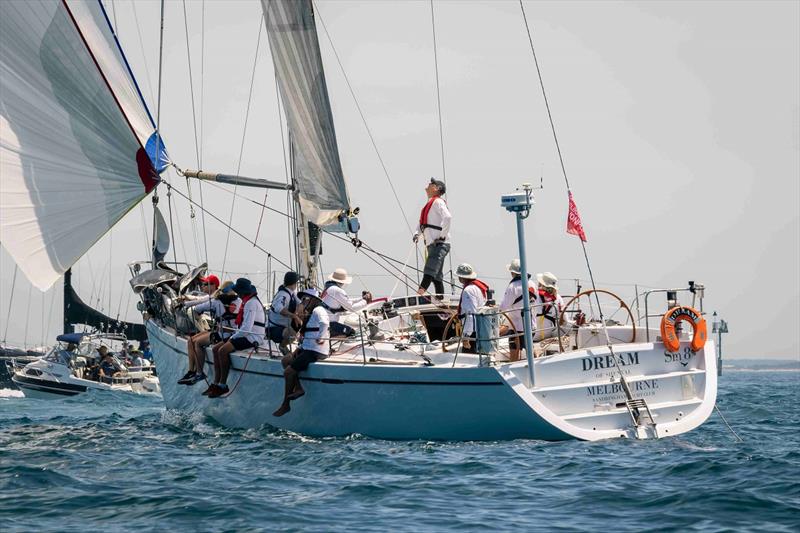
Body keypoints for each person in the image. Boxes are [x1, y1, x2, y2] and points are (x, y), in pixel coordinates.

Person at [205, 278, 266, 398]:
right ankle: (215, 383)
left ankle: (223, 385)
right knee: (215, 348)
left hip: (252, 337)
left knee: (222, 350)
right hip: (247, 334)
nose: (237, 294)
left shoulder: (251, 303)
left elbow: (247, 327)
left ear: (243, 292)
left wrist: (233, 337)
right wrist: (235, 336)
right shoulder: (247, 301)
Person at [273, 289, 329, 417]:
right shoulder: (309, 313)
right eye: (302, 299)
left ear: (314, 300)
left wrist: (321, 337)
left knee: (288, 372)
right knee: (286, 360)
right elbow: (307, 334)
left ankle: (285, 404)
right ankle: (298, 388)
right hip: (308, 348)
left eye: (306, 299)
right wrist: (300, 347)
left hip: (315, 350)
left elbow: (325, 323)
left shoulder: (318, 310)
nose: (303, 302)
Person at [177, 281, 241, 385]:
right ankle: (192, 372)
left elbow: (198, 308)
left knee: (196, 343)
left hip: (221, 335)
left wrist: (186, 304)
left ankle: (198, 372)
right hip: (232, 332)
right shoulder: (239, 301)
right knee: (191, 341)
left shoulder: (216, 301)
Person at [414, 178, 452, 300]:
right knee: (436, 276)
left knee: (429, 271)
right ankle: (441, 301)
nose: (428, 185)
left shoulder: (438, 202)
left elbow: (448, 217)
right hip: (433, 244)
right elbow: (422, 224)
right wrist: (416, 233)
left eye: (431, 184)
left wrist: (442, 236)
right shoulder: (431, 203)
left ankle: (417, 297)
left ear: (437, 188)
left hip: (439, 244)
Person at [499, 259, 538, 361]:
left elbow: (503, 306)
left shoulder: (512, 287)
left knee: (514, 351)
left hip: (517, 327)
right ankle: (536, 366)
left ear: (513, 272)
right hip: (531, 325)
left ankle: (513, 367)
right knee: (530, 348)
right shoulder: (532, 284)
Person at [321, 268, 372, 338]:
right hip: (329, 325)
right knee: (351, 332)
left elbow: (347, 301)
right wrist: (366, 301)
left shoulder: (329, 288)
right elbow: (351, 308)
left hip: (323, 323)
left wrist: (362, 299)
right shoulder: (337, 291)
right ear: (342, 281)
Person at [454, 263, 489, 354]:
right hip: (481, 329)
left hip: (473, 331)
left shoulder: (468, 290)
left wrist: (466, 336)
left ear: (461, 277)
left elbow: (470, 314)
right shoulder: (478, 287)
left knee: (468, 358)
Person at [267, 272, 302, 354]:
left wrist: (299, 309)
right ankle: (282, 346)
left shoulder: (291, 293)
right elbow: (280, 309)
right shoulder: (283, 295)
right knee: (292, 335)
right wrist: (294, 316)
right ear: (295, 283)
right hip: (274, 328)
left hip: (284, 326)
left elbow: (300, 302)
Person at [534, 272, 565, 341]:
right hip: (549, 334)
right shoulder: (558, 298)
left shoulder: (535, 296)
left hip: (534, 335)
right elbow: (564, 319)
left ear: (541, 284)